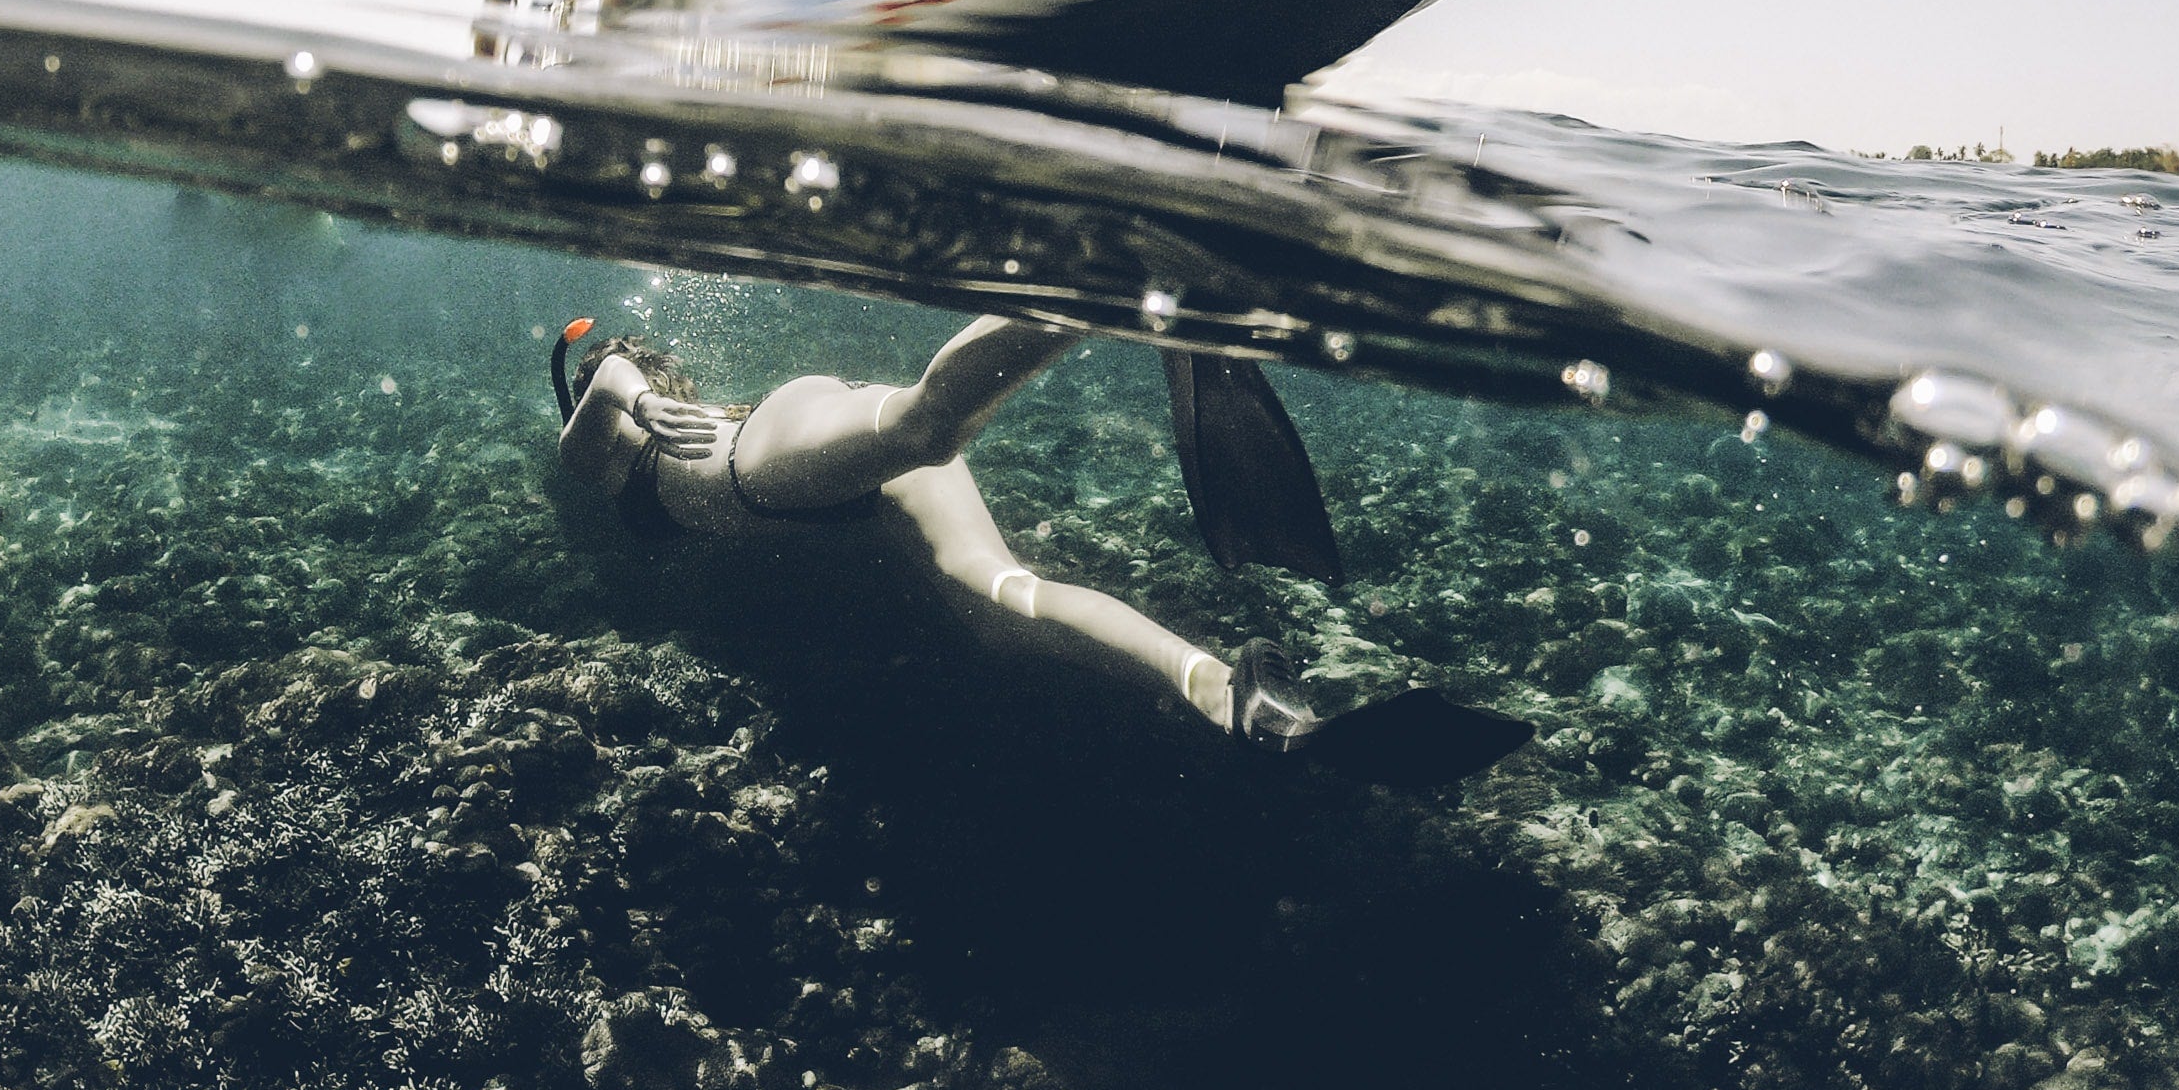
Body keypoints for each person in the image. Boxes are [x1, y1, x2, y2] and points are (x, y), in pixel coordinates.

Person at [548, 311, 1534, 782]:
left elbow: (593, 404)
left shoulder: (616, 428)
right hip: (804, 479)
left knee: (929, 427)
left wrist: (631, 386)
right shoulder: (650, 429)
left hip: (764, 464)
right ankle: (1236, 697)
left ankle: (1100, 289)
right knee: (997, 600)